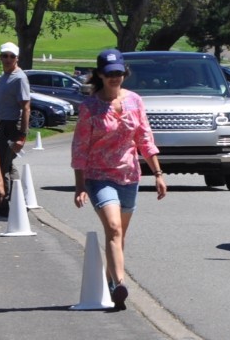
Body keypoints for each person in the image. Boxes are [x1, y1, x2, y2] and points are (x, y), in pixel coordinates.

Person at [71, 49, 167, 311]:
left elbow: (145, 139)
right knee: (113, 227)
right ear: (99, 75)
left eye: (119, 73)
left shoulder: (135, 101)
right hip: (98, 176)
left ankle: (112, 283)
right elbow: (80, 147)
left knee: (119, 235)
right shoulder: (89, 107)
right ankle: (122, 283)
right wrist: (80, 186)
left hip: (129, 175)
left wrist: (158, 174)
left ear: (125, 73)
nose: (115, 77)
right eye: (109, 73)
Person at [0, 42, 31, 218]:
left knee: (2, 166)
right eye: (4, 56)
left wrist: (22, 135)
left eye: (11, 56)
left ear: (17, 58)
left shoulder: (19, 78)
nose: (7, 59)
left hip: (13, 126)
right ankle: (18, 202)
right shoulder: (5, 76)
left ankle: (6, 206)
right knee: (6, 164)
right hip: (4, 124)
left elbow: (26, 107)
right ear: (1, 57)